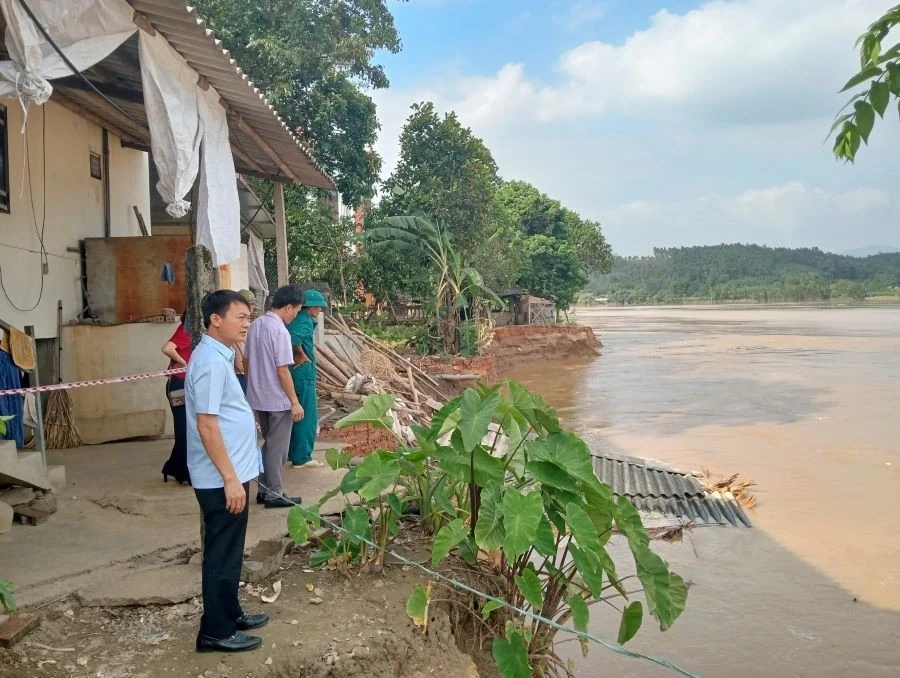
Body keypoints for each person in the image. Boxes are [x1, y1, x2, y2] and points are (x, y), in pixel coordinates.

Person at [185, 290, 268, 653]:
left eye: (249, 317)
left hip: (232, 474)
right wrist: (231, 479)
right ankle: (215, 632)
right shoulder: (209, 361)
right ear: (215, 319)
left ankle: (230, 613)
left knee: (231, 551)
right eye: (240, 316)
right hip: (222, 479)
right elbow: (206, 426)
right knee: (221, 554)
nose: (247, 323)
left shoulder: (221, 355)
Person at [245, 285, 304, 509]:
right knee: (278, 448)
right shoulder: (279, 331)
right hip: (277, 398)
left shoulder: (256, 325)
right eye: (296, 311)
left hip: (258, 396)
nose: (295, 315)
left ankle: (264, 488)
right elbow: (282, 369)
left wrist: (255, 383)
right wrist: (294, 402)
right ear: (288, 307)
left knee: (269, 444)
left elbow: (246, 361)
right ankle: (275, 492)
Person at [287, 289, 327, 469]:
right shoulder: (304, 320)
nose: (319, 311)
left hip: (295, 374)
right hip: (303, 374)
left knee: (293, 416)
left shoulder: (296, 319)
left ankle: (292, 453)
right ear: (310, 307)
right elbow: (293, 339)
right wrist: (300, 355)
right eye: (318, 307)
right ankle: (302, 457)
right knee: (307, 417)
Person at [161, 318, 192, 484]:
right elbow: (167, 348)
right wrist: (182, 362)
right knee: (183, 429)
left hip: (184, 384)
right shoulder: (186, 330)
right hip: (179, 385)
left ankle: (173, 466)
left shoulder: (193, 331)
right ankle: (183, 471)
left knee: (186, 428)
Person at [233, 290, 258, 395]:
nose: (251, 308)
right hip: (239, 368)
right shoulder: (234, 321)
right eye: (249, 304)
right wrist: (237, 360)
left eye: (252, 304)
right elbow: (233, 341)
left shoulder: (249, 321)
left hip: (248, 365)